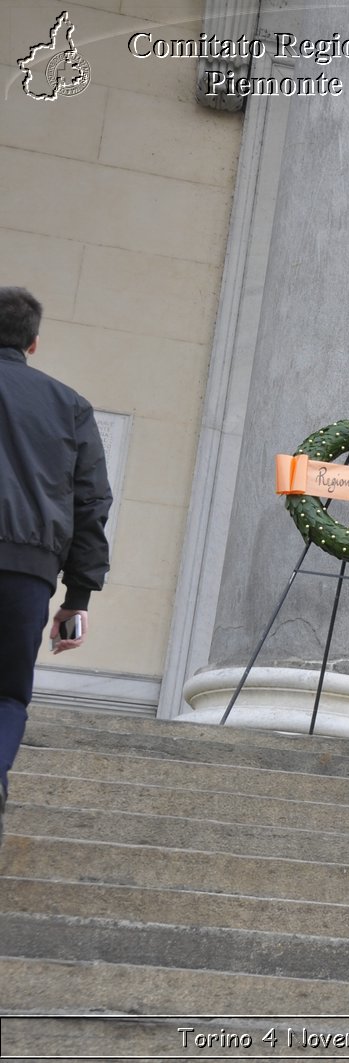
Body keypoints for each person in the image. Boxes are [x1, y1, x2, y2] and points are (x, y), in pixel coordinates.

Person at [0, 286, 113, 845]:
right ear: (34, 343)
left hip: (28, 563)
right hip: (26, 572)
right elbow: (91, 503)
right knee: (6, 695)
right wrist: (78, 600)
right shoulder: (68, 405)